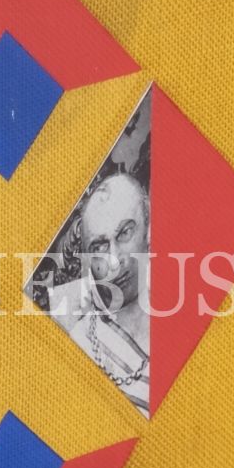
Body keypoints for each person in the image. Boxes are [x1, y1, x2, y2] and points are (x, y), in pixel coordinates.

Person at [64, 172, 151, 416]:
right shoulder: (83, 344)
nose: (114, 261)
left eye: (124, 233)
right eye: (99, 247)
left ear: (149, 228)